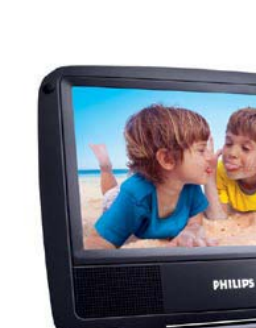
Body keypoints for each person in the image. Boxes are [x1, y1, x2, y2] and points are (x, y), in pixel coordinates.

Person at [85, 105, 219, 249]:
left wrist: (192, 230)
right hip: (118, 199)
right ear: (167, 159)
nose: (211, 157)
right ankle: (105, 167)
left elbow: (195, 216)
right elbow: (98, 241)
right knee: (109, 195)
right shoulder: (134, 195)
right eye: (201, 150)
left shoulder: (190, 185)